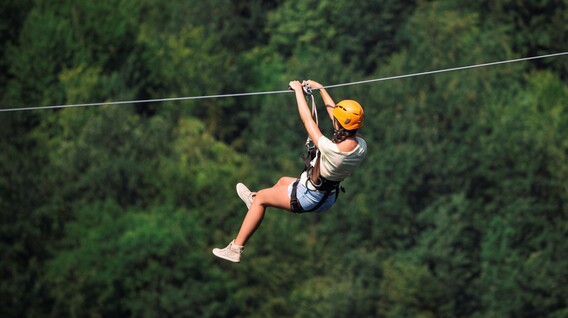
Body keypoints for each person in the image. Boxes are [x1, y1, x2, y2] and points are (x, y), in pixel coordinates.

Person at [212, 80, 367, 263]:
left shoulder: (331, 150)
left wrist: (298, 91)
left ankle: (236, 248)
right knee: (283, 180)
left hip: (309, 196)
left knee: (262, 199)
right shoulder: (362, 146)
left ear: (338, 124)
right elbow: (335, 115)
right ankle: (254, 202)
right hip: (328, 197)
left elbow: (307, 119)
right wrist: (321, 89)